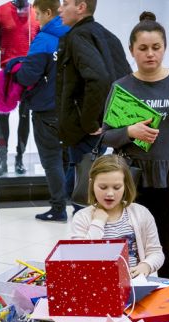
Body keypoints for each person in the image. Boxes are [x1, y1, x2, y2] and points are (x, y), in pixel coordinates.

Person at [101, 11, 169, 279]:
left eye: (156, 47)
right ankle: (129, 298)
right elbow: (105, 136)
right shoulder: (122, 86)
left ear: (165, 48)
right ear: (132, 51)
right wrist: (129, 131)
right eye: (143, 48)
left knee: (166, 246)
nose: (150, 54)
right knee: (130, 244)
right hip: (130, 178)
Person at [56, 0, 131, 211]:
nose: (60, 9)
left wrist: (89, 122)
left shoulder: (77, 36)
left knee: (81, 189)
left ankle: (86, 238)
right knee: (87, 182)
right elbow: (124, 78)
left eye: (66, 4)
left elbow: (98, 79)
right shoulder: (107, 35)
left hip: (85, 130)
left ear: (81, 7)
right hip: (105, 124)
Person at [12, 0, 69, 222]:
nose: (36, 19)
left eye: (37, 14)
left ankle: (58, 208)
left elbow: (28, 76)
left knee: (51, 159)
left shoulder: (43, 40)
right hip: (69, 110)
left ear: (48, 12)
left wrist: (16, 72)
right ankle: (70, 203)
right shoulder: (72, 36)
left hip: (46, 109)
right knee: (65, 158)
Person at [71, 155, 164, 277]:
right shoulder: (82, 217)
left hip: (134, 284)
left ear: (126, 186)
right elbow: (80, 258)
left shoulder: (141, 213)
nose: (110, 193)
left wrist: (146, 265)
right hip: (96, 285)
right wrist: (98, 222)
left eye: (117, 187)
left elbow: (156, 252)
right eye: (103, 187)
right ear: (91, 184)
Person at [0, 0, 40, 176]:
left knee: (24, 116)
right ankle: (2, 160)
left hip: (28, 74)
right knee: (2, 116)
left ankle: (19, 158)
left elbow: (40, 47)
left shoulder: (35, 14)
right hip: (6, 73)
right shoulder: (0, 12)